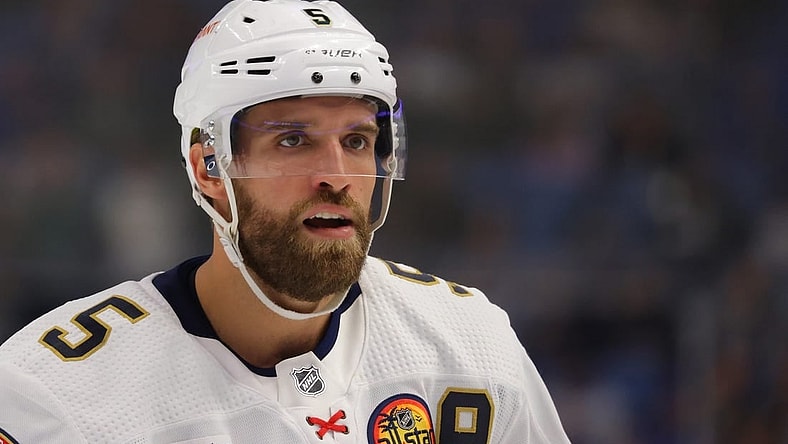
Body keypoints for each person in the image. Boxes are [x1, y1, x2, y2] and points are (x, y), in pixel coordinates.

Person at [0, 0, 571, 442]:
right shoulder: (55, 393)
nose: (337, 174)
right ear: (209, 167)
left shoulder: (470, 343)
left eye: (356, 140)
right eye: (294, 140)